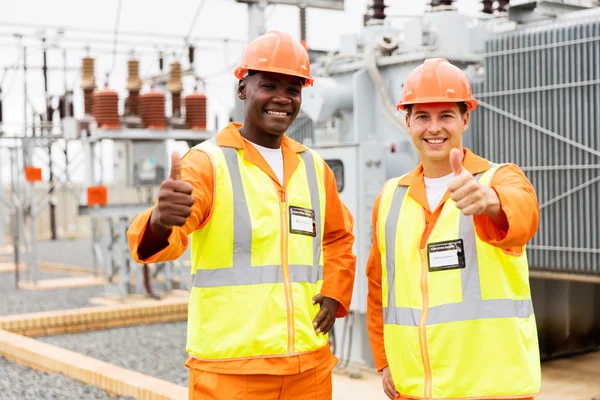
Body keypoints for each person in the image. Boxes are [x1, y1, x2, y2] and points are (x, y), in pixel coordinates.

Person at [127, 30, 356, 400]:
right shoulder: (206, 163)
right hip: (231, 372)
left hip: (308, 368)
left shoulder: (313, 167)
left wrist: (334, 293)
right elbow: (162, 241)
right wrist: (159, 220)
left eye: (293, 90)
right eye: (269, 86)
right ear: (243, 89)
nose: (282, 99)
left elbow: (338, 237)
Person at [365, 58, 541, 400]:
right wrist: (385, 361)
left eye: (446, 115)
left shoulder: (499, 178)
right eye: (422, 117)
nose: (434, 128)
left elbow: (524, 214)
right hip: (415, 389)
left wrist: (489, 201)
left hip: (492, 390)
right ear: (408, 122)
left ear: (465, 118)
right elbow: (380, 287)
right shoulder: (390, 196)